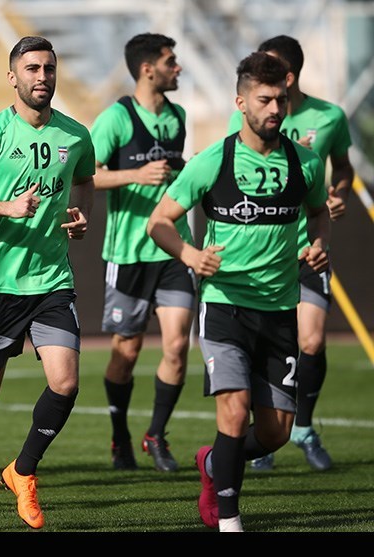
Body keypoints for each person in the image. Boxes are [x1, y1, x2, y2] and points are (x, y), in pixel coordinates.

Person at [147, 52, 330, 532]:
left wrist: (318, 245)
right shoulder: (213, 161)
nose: (275, 109)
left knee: (275, 433)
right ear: (241, 102)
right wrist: (190, 255)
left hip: (280, 311)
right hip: (224, 307)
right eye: (264, 99)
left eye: (281, 100)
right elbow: (159, 222)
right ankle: (230, 521)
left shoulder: (306, 163)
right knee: (233, 409)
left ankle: (213, 463)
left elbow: (319, 213)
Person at [0, 35, 95, 532]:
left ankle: (23, 470)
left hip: (52, 280)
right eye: (32, 68)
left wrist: (81, 215)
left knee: (66, 382)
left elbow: (85, 180)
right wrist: (5, 208)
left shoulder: (76, 135)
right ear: (12, 77)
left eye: (49, 68)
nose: (42, 77)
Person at [228, 35, 354, 472]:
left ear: (289, 76)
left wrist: (338, 193)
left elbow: (343, 166)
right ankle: (262, 433)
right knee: (257, 346)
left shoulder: (330, 117)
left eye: (269, 68)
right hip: (263, 257)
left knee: (313, 340)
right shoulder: (246, 114)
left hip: (308, 251)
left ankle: (302, 427)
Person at [90, 33, 194, 473]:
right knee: (126, 353)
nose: (178, 68)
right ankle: (120, 437)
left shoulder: (178, 116)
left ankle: (156, 434)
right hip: (129, 252)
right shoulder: (116, 118)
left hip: (173, 248)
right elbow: (86, 174)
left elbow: (178, 173)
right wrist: (135, 174)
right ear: (148, 69)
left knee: (177, 345)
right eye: (171, 61)